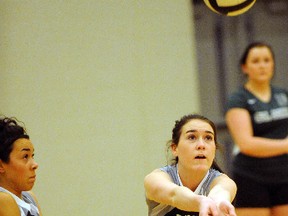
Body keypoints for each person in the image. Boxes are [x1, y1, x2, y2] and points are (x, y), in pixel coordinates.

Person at [225, 42, 288, 216]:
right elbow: (246, 143)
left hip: (284, 175)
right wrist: (285, 146)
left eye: (267, 60)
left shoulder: (283, 95)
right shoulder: (238, 99)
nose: (262, 65)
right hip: (251, 177)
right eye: (256, 61)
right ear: (245, 67)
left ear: (273, 64)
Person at [144, 114, 237, 216]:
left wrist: (218, 201)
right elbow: (174, 195)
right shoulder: (156, 178)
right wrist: (201, 202)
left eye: (208, 138)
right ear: (175, 148)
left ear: (214, 149)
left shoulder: (224, 181)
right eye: (192, 137)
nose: (201, 145)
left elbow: (221, 191)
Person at [0, 117, 42, 216]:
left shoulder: (29, 197)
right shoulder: (3, 200)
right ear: (1, 165)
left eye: (32, 156)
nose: (35, 165)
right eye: (25, 156)